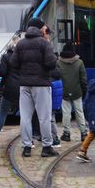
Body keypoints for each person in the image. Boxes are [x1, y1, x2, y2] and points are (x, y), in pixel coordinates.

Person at [9, 18, 58, 158]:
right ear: (40, 29)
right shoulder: (44, 43)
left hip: (24, 84)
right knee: (44, 117)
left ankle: (26, 147)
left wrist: (24, 72)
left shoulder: (21, 44)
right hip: (41, 85)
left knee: (25, 117)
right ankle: (47, 146)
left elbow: (13, 63)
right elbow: (51, 64)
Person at [0, 34, 21, 143]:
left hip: (9, 88)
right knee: (25, 115)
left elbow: (2, 72)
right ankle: (29, 140)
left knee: (2, 112)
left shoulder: (6, 56)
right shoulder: (23, 56)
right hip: (22, 88)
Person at [57, 42, 88, 142]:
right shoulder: (79, 62)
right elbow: (83, 80)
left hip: (64, 90)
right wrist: (84, 91)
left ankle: (66, 133)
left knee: (66, 113)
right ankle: (83, 133)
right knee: (79, 111)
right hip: (77, 91)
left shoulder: (58, 62)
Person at [76, 67, 95, 163]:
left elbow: (86, 101)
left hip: (92, 113)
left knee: (93, 132)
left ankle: (83, 151)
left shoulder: (91, 84)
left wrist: (87, 114)